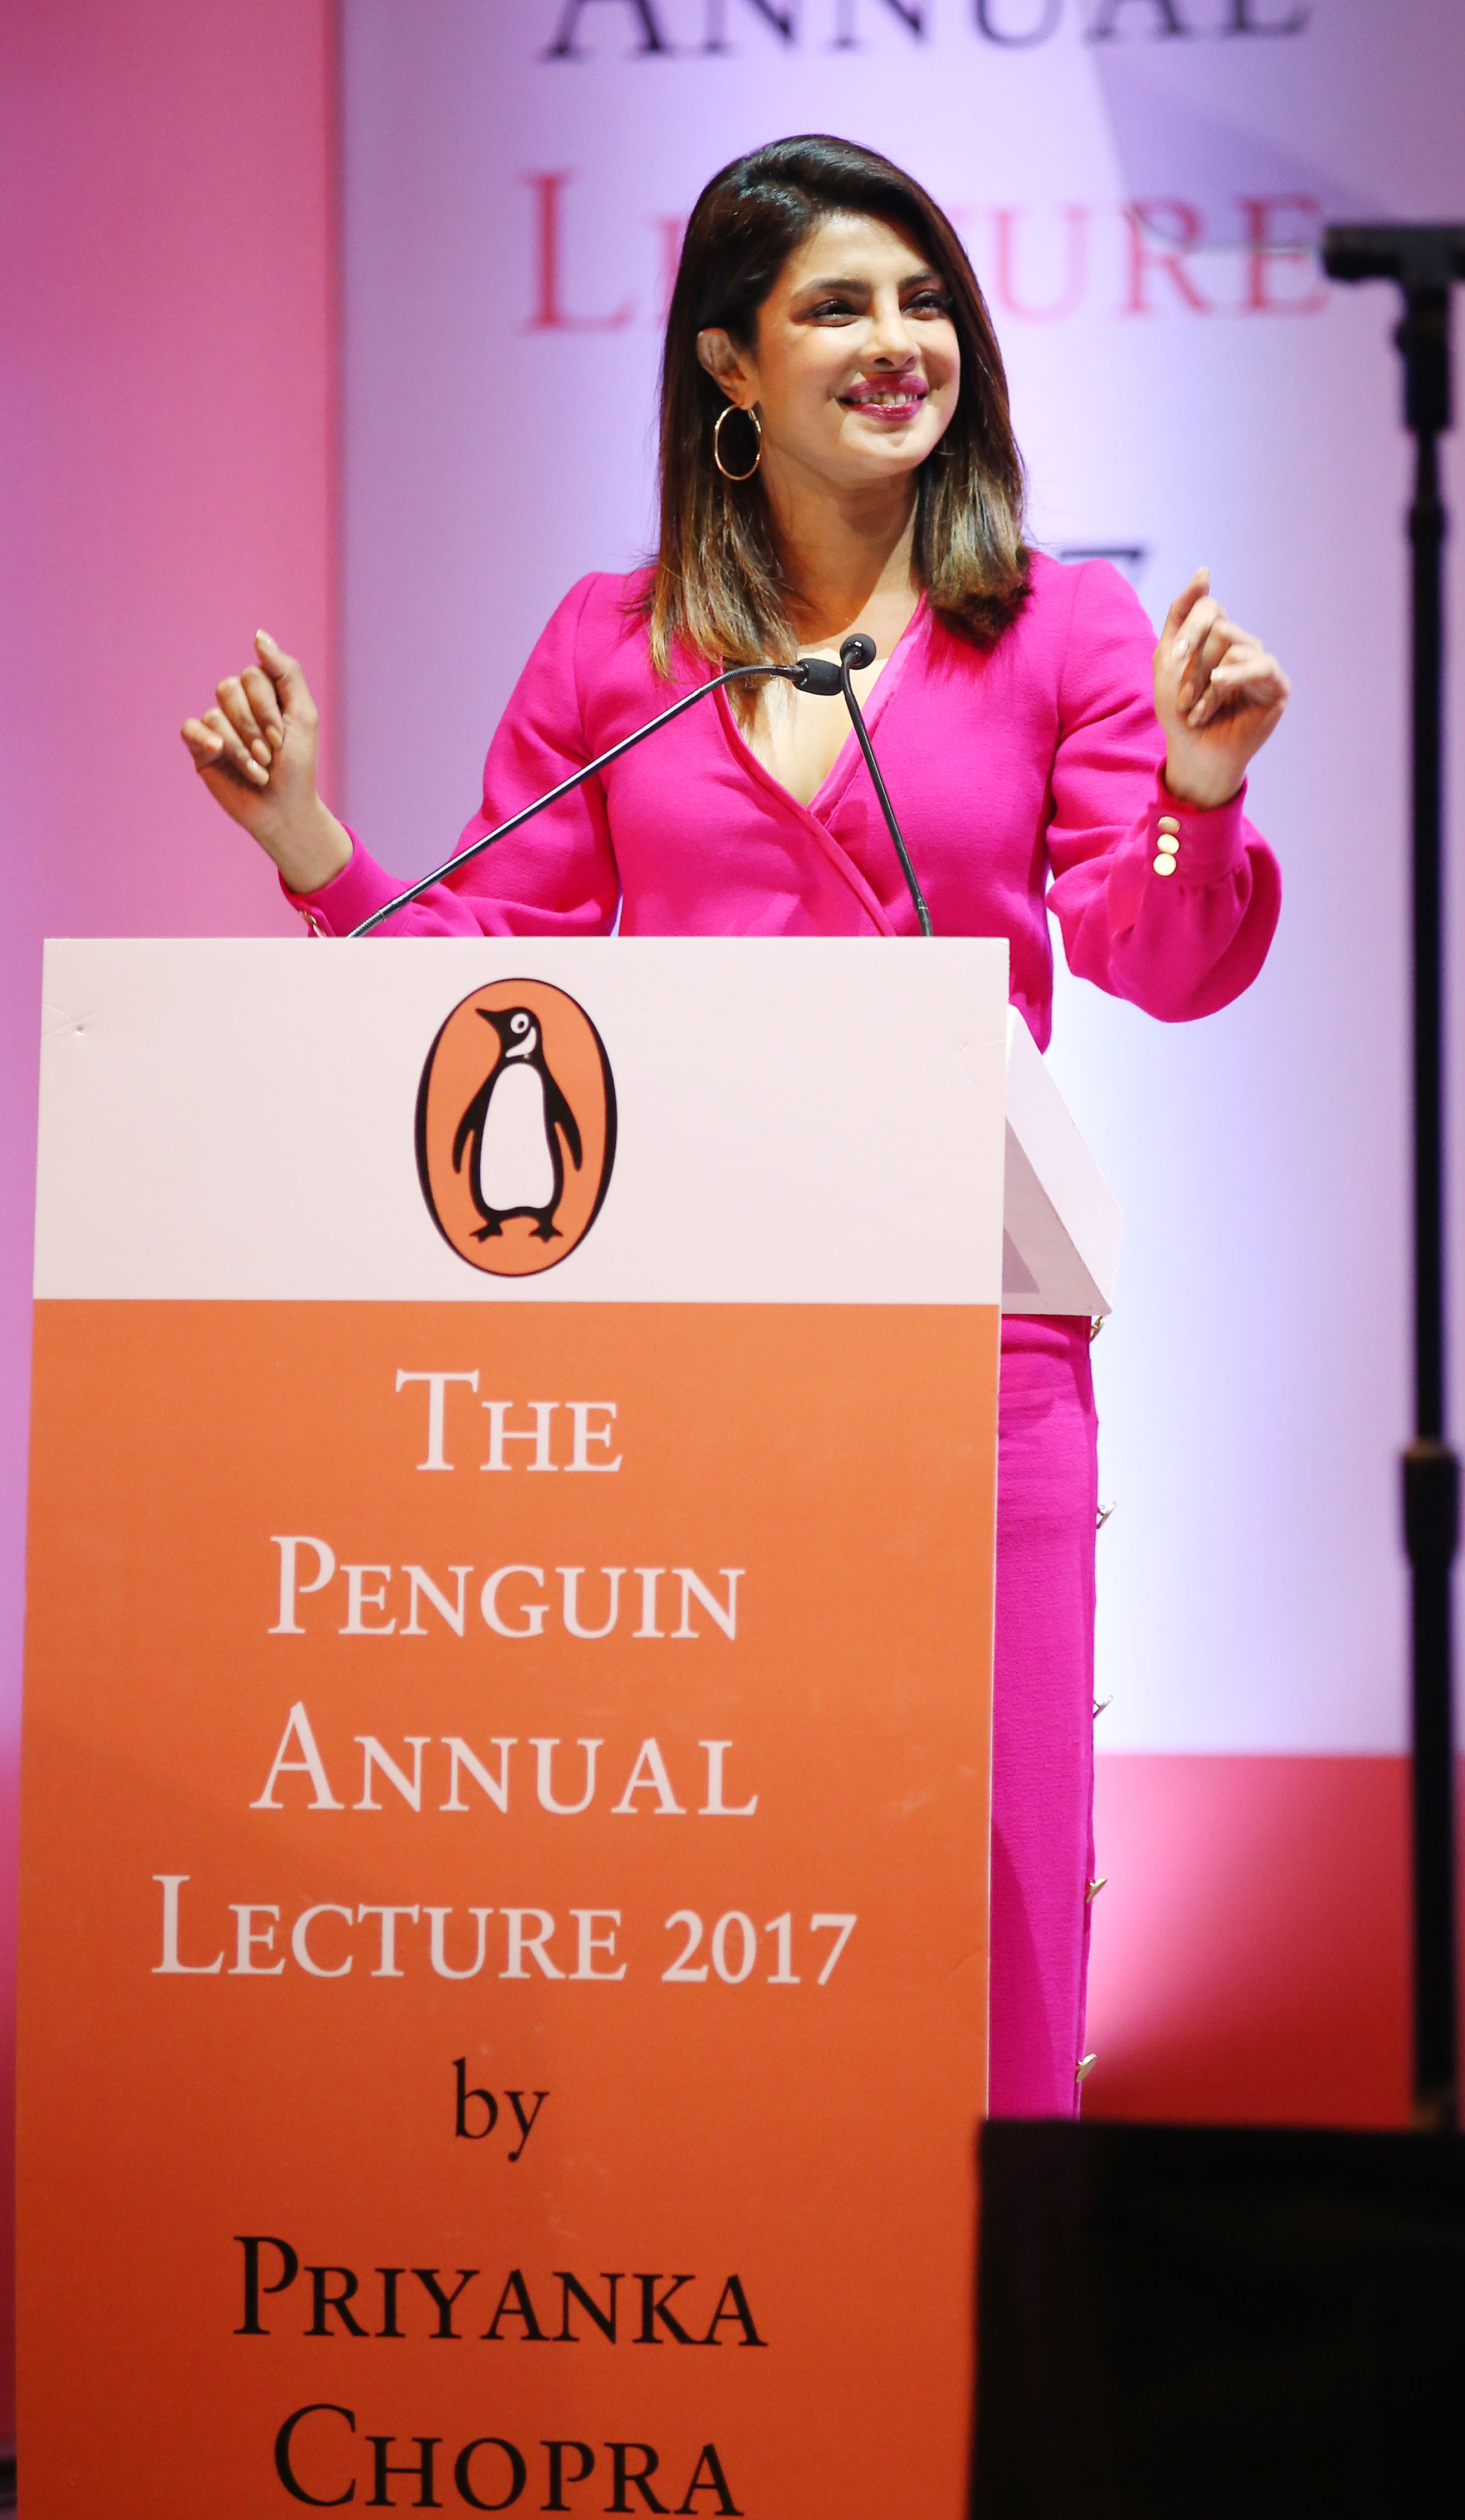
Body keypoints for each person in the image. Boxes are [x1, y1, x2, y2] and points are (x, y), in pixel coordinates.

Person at [181, 134, 1287, 2120]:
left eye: (927, 301)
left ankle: (1009, 2307)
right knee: (723, 1886)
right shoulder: (610, 646)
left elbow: (1162, 952)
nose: (901, 342)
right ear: (729, 366)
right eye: (839, 307)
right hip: (695, 1353)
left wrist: (1197, 794)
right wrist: (315, 850)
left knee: (989, 1914)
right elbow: (497, 982)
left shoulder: (1061, 628)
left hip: (979, 1350)